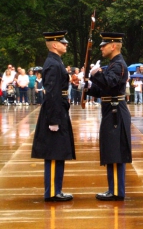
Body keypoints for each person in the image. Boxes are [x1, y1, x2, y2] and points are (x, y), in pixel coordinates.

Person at [31, 30, 76, 202]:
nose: (66, 45)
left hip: (59, 110)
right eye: (63, 43)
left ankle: (56, 190)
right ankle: (51, 192)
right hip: (55, 112)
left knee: (58, 152)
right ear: (55, 45)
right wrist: (53, 120)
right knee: (53, 153)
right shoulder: (52, 64)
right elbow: (51, 94)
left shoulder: (56, 62)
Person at [88, 32, 132, 201]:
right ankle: (114, 189)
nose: (101, 48)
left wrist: (96, 75)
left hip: (115, 112)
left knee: (115, 152)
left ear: (113, 46)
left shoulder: (118, 65)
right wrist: (89, 87)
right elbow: (104, 90)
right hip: (111, 110)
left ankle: (116, 191)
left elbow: (110, 84)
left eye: (104, 45)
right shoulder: (113, 64)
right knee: (111, 149)